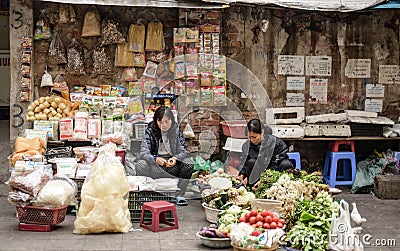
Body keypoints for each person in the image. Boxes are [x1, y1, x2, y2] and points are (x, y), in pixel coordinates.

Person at [136, 106, 193, 206]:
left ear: (172, 120)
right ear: (156, 121)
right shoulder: (150, 132)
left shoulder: (176, 131)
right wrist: (155, 159)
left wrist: (175, 158)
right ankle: (147, 194)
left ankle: (179, 194)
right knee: (140, 164)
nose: (164, 125)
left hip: (172, 168)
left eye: (167, 121)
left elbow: (184, 151)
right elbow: (144, 152)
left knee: (188, 163)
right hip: (155, 167)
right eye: (161, 122)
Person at [236, 118, 293, 190]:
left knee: (286, 164)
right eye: (249, 137)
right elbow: (244, 162)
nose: (251, 140)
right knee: (251, 162)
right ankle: (253, 188)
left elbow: (276, 164)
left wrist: (264, 180)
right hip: (257, 175)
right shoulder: (246, 146)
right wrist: (242, 174)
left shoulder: (277, 143)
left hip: (275, 174)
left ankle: (284, 188)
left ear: (262, 132)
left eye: (254, 137)